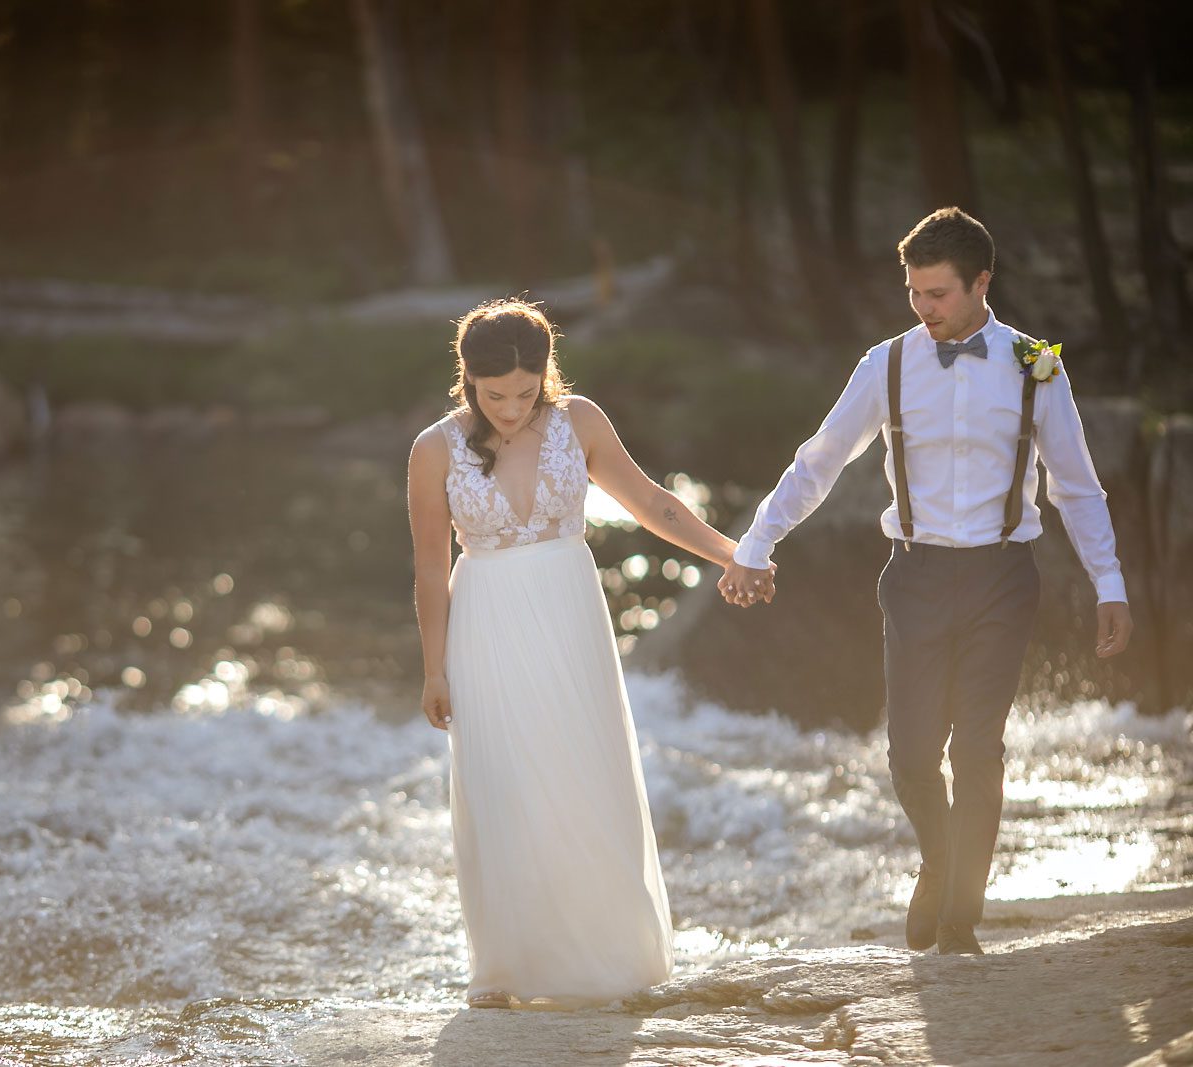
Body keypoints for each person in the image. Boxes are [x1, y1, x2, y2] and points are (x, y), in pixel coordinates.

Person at [719, 207, 1133, 956]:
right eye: (914, 292)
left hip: (1003, 578)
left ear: (982, 283)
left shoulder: (1038, 362)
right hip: (913, 577)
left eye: (937, 293)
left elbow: (1075, 484)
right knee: (910, 754)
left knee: (979, 746)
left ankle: (960, 919)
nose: (923, 307)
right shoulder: (886, 363)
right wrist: (757, 540)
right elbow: (821, 460)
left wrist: (1110, 582)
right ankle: (940, 860)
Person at [406, 298, 760, 1008]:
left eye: (525, 390)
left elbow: (653, 503)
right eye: (493, 393)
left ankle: (608, 959)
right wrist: (435, 669)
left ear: (546, 373)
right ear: (467, 378)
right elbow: (425, 572)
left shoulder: (581, 422)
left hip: (570, 615)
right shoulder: (434, 448)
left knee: (582, 772)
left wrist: (734, 554)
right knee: (504, 784)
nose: (510, 407)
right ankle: (509, 967)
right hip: (486, 623)